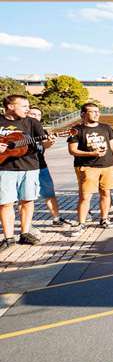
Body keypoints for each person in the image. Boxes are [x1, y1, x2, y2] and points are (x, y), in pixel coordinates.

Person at [1, 95, 51, 249]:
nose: (28, 109)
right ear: (10, 106)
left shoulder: (31, 122)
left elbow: (44, 144)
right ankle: (8, 238)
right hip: (4, 168)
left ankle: (25, 233)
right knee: (5, 203)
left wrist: (49, 142)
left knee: (27, 200)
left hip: (30, 166)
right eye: (23, 106)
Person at [67, 103, 113, 236]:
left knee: (106, 193)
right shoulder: (77, 129)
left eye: (98, 111)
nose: (97, 114)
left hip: (106, 166)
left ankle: (104, 219)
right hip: (87, 167)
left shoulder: (106, 127)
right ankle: (81, 223)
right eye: (92, 111)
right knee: (85, 196)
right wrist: (91, 154)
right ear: (83, 114)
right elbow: (72, 150)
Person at [28, 107, 72, 227]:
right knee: (25, 197)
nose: (36, 117)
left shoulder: (42, 131)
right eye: (33, 114)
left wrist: (50, 142)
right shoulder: (21, 129)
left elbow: (45, 145)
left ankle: (56, 218)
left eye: (38, 115)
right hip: (23, 167)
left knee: (49, 193)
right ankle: (26, 224)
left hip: (40, 166)